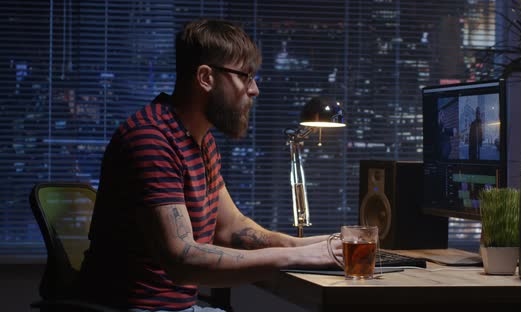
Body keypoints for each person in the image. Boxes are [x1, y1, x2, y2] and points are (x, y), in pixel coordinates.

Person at [78, 19, 340, 312]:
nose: (254, 90)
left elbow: (232, 229)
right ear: (205, 77)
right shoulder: (151, 139)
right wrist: (296, 257)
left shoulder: (199, 140)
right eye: (245, 76)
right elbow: (183, 260)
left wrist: (323, 245)